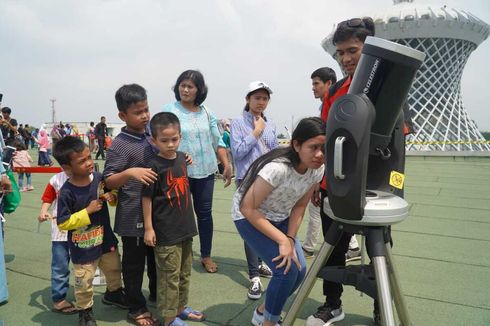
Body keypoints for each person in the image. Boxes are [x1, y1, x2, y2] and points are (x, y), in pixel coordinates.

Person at [306, 17, 380, 326]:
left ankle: (381, 307)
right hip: (333, 183)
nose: (346, 59)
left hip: (372, 185)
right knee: (332, 247)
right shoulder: (334, 92)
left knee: (377, 252)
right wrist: (317, 181)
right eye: (341, 53)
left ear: (370, 48)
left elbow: (398, 133)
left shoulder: (385, 86)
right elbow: (324, 137)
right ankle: (332, 303)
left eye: (353, 50)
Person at [233, 117, 326, 326]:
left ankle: (263, 312)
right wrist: (282, 241)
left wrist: (290, 238)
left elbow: (300, 206)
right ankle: (269, 322)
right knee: (286, 271)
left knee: (300, 271)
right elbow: (247, 208)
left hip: (280, 216)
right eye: (314, 147)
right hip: (249, 217)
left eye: (324, 148)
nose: (320, 154)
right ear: (296, 144)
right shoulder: (277, 169)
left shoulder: (317, 169)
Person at [162, 69, 232, 273]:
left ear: (198, 90)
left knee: (204, 214)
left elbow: (217, 140)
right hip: (178, 172)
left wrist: (226, 164)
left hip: (206, 171)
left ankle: (206, 255)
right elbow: (157, 138)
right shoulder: (169, 110)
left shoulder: (207, 112)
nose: (185, 89)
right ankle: (180, 255)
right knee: (179, 214)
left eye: (190, 86)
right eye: (182, 85)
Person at [53, 136, 127, 326]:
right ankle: (85, 311)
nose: (89, 163)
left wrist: (112, 197)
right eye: (82, 161)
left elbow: (114, 193)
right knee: (84, 281)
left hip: (106, 240)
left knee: (113, 268)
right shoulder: (67, 192)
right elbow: (63, 222)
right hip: (83, 246)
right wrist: (87, 211)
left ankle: (114, 293)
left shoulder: (100, 178)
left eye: (89, 157)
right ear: (67, 168)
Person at [103, 84, 159, 326]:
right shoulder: (119, 144)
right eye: (139, 112)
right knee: (134, 264)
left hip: (155, 212)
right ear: (122, 116)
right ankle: (136, 307)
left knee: (157, 259)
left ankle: (157, 296)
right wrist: (131, 172)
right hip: (131, 214)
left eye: (146, 109)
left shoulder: (151, 135)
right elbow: (108, 180)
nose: (145, 115)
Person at [142, 112, 205, 326]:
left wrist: (185, 156)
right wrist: (149, 228)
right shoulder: (152, 166)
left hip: (186, 227)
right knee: (169, 277)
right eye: (164, 140)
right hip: (165, 232)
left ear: (180, 136)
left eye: (175, 139)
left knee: (184, 273)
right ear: (153, 140)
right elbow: (146, 199)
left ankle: (180, 308)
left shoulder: (182, 158)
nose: (170, 144)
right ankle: (169, 319)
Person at [230, 81, 278, 300]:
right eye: (257, 97)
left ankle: (259, 264)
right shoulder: (238, 123)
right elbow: (238, 153)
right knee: (250, 227)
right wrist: (256, 132)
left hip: (267, 183)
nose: (261, 102)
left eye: (265, 98)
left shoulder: (271, 124)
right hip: (247, 181)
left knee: (263, 225)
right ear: (248, 99)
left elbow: (275, 152)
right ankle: (254, 277)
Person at [301, 67, 337, 259]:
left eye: (316, 83)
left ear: (329, 84)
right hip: (327, 171)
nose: (313, 88)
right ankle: (352, 246)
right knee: (322, 209)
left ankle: (308, 246)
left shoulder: (333, 107)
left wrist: (317, 180)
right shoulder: (325, 106)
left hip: (329, 171)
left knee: (317, 208)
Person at [38, 170, 77, 315]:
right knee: (60, 266)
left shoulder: (90, 176)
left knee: (88, 264)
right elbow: (48, 198)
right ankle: (59, 300)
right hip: (60, 230)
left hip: (84, 229)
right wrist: (43, 211)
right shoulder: (56, 179)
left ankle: (87, 294)